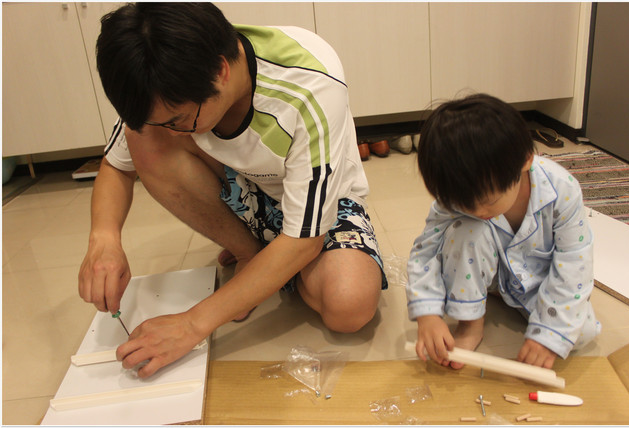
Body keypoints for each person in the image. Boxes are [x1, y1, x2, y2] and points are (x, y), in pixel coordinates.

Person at [78, 3, 387, 378]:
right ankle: (252, 255)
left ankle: (269, 264)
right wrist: (104, 238)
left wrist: (192, 323)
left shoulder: (309, 84)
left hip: (322, 206)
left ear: (221, 72)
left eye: (178, 120)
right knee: (142, 136)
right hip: (251, 192)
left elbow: (306, 239)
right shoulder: (163, 72)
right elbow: (116, 165)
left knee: (349, 306)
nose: (173, 130)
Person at [406, 94, 600, 369]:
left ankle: (518, 306)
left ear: (526, 161)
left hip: (537, 279)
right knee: (467, 231)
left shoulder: (562, 191)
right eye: (464, 205)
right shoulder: (458, 194)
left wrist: (550, 334)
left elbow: (574, 263)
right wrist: (427, 314)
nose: (477, 211)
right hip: (488, 270)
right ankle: (471, 324)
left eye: (488, 201)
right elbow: (425, 251)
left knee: (582, 331)